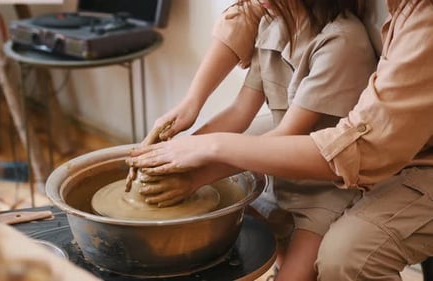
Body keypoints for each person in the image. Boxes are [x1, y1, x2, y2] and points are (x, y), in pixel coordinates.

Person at [128, 0, 433, 280]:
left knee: (331, 262)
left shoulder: (340, 40)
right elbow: (239, 111)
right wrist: (172, 150)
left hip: (327, 189)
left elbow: (304, 139)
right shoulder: (272, 24)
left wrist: (200, 165)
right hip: (296, 171)